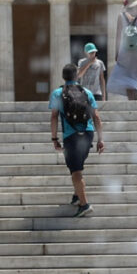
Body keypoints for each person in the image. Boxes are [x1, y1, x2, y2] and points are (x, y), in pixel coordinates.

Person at [50, 63, 105, 217]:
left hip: (71, 136)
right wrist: (100, 139)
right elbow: (96, 116)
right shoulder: (87, 92)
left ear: (63, 77)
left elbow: (54, 116)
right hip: (87, 135)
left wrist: (54, 138)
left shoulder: (57, 93)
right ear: (76, 76)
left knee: (75, 171)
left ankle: (84, 204)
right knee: (77, 168)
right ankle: (77, 195)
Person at [107, 0, 137, 101]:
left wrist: (117, 53)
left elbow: (118, 36)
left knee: (126, 75)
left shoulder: (121, 16)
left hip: (125, 48)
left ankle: (131, 102)